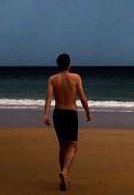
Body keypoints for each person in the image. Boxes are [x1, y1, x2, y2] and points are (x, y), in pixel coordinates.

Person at [43, 53, 92, 191]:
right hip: (70, 113)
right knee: (72, 146)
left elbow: (48, 98)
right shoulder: (76, 77)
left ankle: (65, 175)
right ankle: (65, 171)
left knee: (62, 146)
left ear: (58, 64)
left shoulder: (52, 79)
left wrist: (45, 114)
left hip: (58, 114)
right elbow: (82, 97)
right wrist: (88, 112)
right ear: (69, 64)